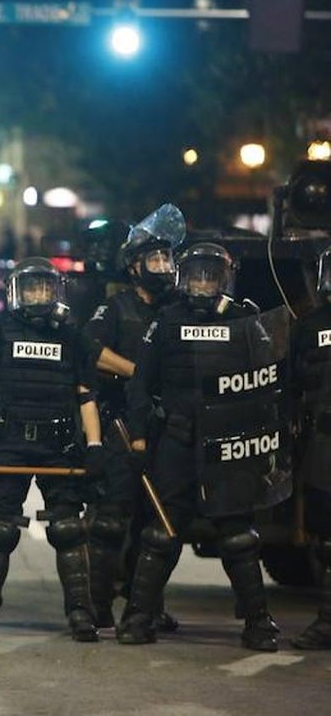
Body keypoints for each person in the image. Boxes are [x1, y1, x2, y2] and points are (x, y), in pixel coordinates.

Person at [117, 242, 286, 651]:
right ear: (184, 277)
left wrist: (266, 441)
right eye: (197, 275)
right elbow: (141, 384)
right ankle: (139, 618)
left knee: (238, 536)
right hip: (177, 438)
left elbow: (269, 384)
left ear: (223, 278)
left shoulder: (246, 319)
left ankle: (259, 623)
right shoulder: (168, 319)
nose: (204, 283)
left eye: (212, 276)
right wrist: (139, 436)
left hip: (228, 445)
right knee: (162, 532)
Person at [0, 257, 104, 643]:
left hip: (61, 444)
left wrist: (94, 446)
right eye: (32, 288)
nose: (39, 295)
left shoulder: (72, 336)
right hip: (10, 442)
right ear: (16, 292)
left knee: (69, 530)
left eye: (45, 288)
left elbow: (86, 395)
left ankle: (80, 613)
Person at [82, 204, 184, 630]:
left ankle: (146, 607)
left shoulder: (177, 308)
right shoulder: (116, 307)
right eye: (154, 260)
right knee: (110, 520)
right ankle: (99, 606)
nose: (162, 267)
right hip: (120, 425)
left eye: (166, 258)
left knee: (156, 522)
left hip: (164, 427)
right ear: (134, 266)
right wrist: (138, 374)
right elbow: (90, 352)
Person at [292, 244, 331, 650]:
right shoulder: (309, 324)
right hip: (324, 441)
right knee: (326, 538)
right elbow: (292, 381)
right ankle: (327, 622)